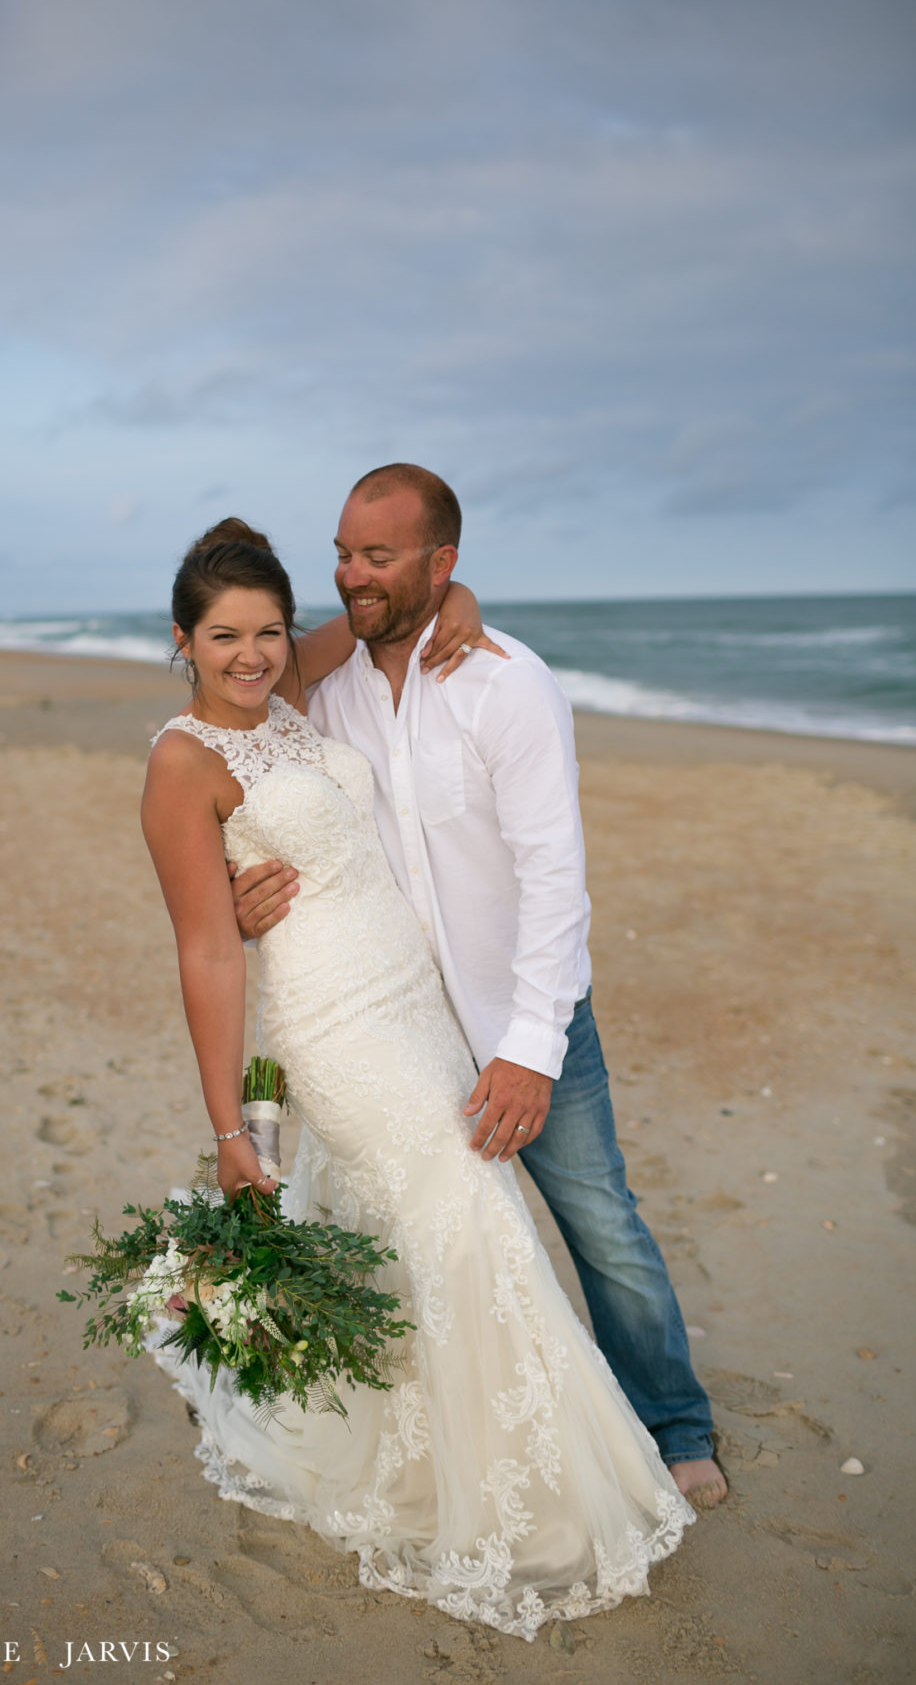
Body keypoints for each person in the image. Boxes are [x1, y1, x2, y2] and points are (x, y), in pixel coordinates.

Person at [141, 523, 693, 1642]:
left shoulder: (294, 681)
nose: (249, 655)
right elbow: (205, 950)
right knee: (467, 1217)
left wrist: (463, 594)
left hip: (414, 996)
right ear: (182, 641)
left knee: (442, 1224)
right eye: (222, 637)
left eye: (265, 631)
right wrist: (230, 1129)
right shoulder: (181, 762)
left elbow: (409, 607)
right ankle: (522, 1504)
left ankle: (465, 1444)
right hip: (333, 1022)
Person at [231, 466, 727, 1509]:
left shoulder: (508, 685)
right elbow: (244, 725)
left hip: (519, 1020)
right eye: (343, 552)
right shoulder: (329, 687)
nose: (350, 575)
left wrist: (528, 1052)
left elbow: (556, 881)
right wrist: (245, 893)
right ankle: (479, 1449)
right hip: (400, 1027)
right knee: (444, 1244)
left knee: (600, 1227)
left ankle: (675, 1426)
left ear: (440, 562)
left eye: (378, 557)